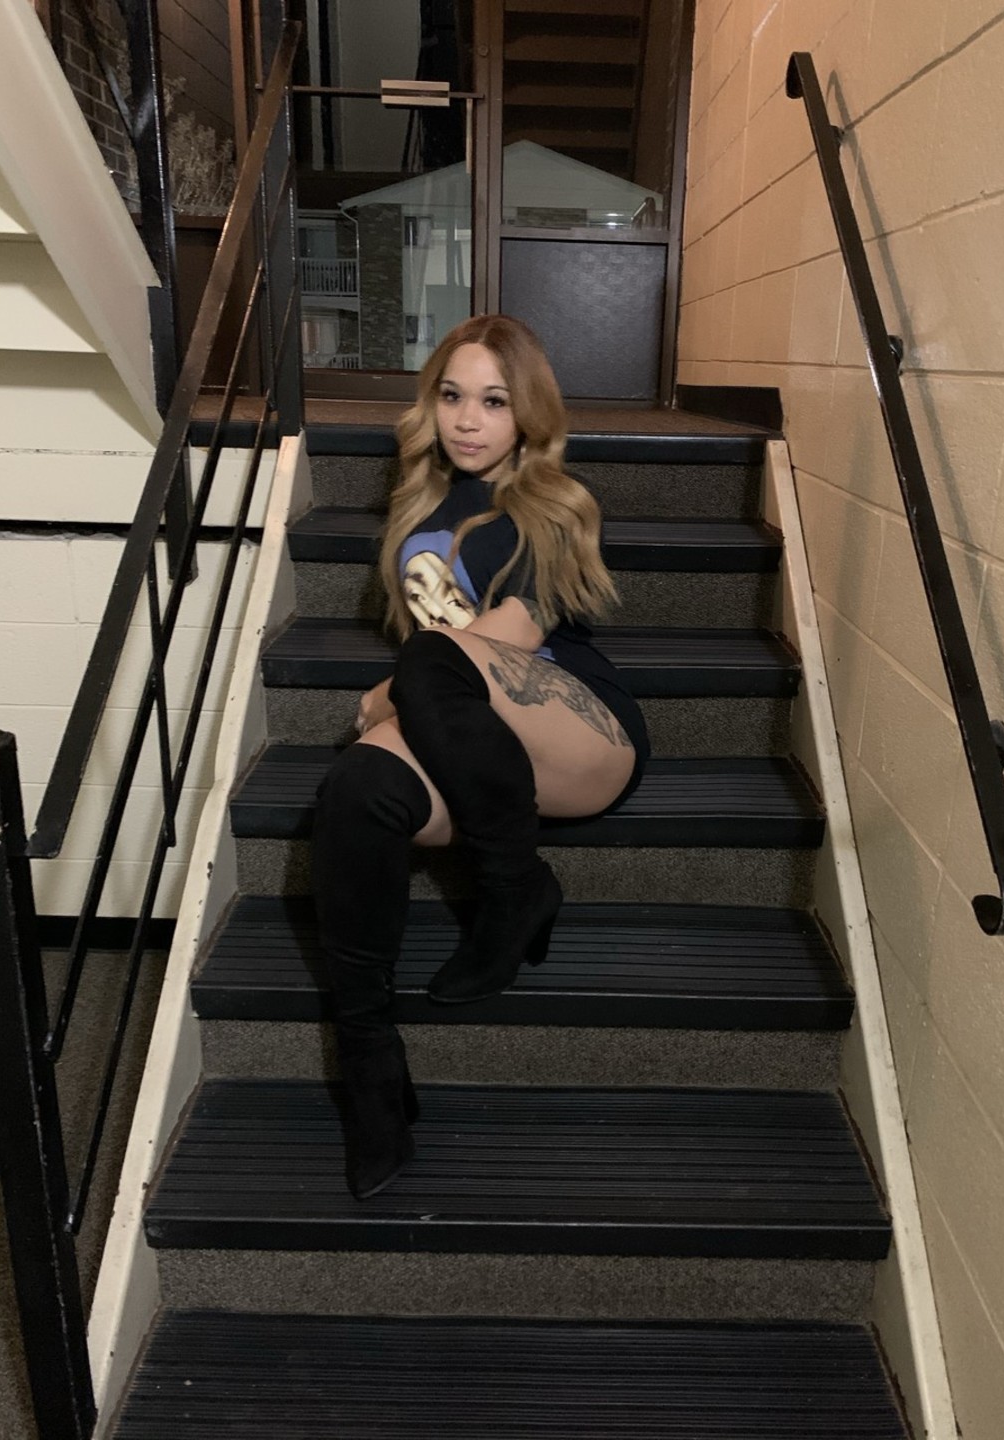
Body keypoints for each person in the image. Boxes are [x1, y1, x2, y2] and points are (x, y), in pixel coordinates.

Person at [311, 314, 650, 1201]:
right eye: (453, 396)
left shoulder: (553, 503)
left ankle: (514, 889)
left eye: (495, 402)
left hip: (576, 730)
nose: (468, 420)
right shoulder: (418, 509)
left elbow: (516, 633)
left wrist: (386, 694)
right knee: (355, 788)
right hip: (467, 738)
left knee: (428, 662)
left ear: (528, 414)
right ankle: (371, 1065)